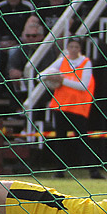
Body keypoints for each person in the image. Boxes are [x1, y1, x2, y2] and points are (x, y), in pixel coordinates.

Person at [39, 37, 99, 178]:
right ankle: (59, 171)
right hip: (61, 106)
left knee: (83, 139)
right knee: (60, 140)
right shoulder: (62, 61)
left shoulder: (86, 63)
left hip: (78, 107)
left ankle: (93, 170)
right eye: (70, 46)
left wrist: (62, 80)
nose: (73, 49)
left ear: (80, 49)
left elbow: (83, 85)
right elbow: (41, 75)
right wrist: (52, 79)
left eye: (76, 47)